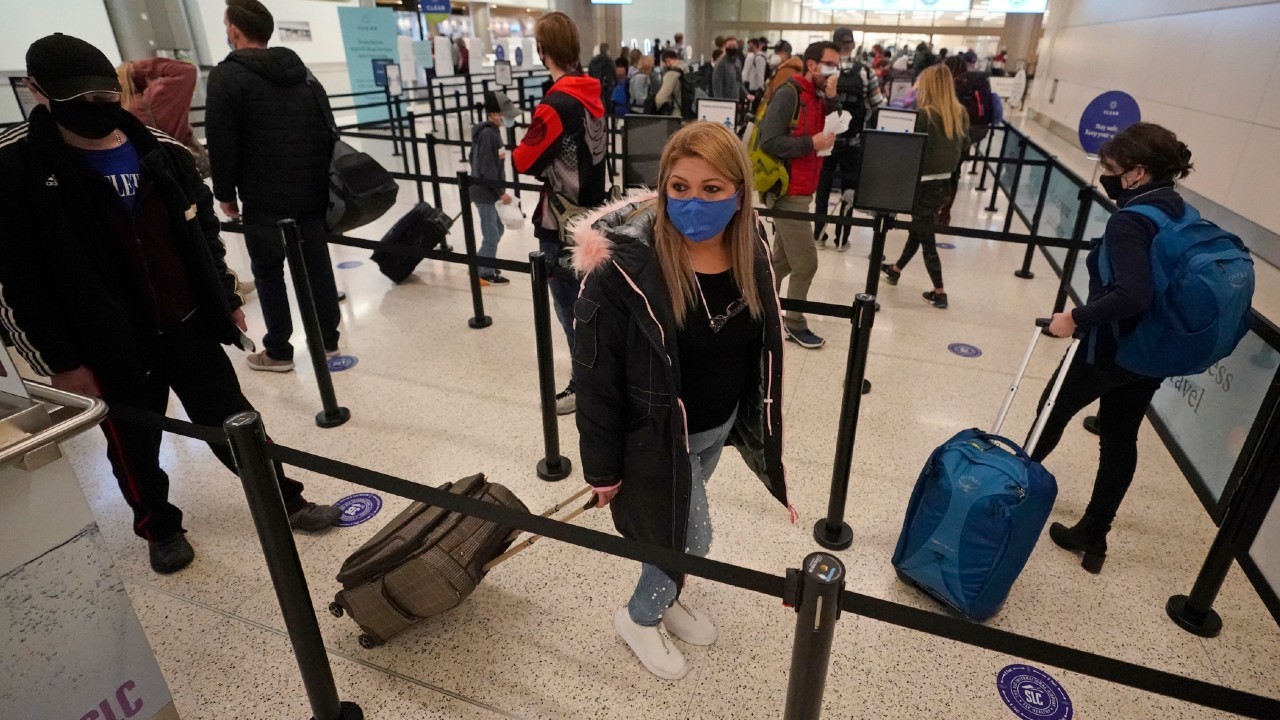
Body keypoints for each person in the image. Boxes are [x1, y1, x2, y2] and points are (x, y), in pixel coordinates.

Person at [0, 33, 342, 575]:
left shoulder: (160, 149)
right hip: (107, 343)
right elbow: (19, 280)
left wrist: (224, 297)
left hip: (187, 322)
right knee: (134, 446)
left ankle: (285, 497)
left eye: (103, 95)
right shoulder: (15, 169)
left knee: (237, 422)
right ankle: (159, 526)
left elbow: (201, 230)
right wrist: (61, 362)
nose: (97, 109)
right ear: (37, 92)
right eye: (79, 100)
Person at [570, 122, 790, 681]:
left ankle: (665, 595)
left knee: (670, 527)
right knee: (690, 537)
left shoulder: (753, 251)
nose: (694, 202)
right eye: (681, 187)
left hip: (716, 428)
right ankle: (641, 616)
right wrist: (601, 468)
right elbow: (596, 379)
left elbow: (756, 348)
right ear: (663, 187)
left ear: (739, 192)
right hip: (655, 437)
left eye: (713, 189)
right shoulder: (623, 270)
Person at [1034, 123, 1198, 574]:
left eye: (1110, 168)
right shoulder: (1178, 209)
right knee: (1121, 437)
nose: (1104, 174)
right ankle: (1094, 535)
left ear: (1137, 173)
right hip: (1152, 350)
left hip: (1112, 346)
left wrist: (1075, 319)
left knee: (1050, 411)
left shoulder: (1130, 221)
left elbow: (1131, 295)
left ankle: (1003, 498)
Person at [206, 0, 342, 372]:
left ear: (234, 30)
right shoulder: (301, 72)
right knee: (317, 264)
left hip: (263, 195)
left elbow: (222, 141)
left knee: (268, 271)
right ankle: (328, 337)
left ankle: (280, 350)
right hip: (311, 189)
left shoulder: (226, 77)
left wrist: (225, 193)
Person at [512, 12, 607, 415]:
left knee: (571, 313)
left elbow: (523, 159)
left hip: (560, 223)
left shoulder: (555, 104)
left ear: (542, 49)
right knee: (593, 308)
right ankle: (603, 379)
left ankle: (584, 387)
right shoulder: (592, 94)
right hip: (593, 217)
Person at [756, 41, 839, 350]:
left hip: (805, 190)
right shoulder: (789, 94)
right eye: (830, 64)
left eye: (838, 65)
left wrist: (832, 98)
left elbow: (838, 123)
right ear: (812, 65)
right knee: (806, 263)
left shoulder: (819, 96)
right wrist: (810, 144)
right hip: (787, 191)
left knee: (781, 262)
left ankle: (761, 313)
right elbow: (770, 141)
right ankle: (793, 322)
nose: (835, 70)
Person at [880, 65, 968, 309]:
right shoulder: (959, 113)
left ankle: (940, 292)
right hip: (944, 184)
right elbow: (965, 148)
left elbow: (910, 152)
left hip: (922, 185)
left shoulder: (924, 115)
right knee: (919, 229)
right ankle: (896, 270)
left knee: (926, 237)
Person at [813, 27, 885, 250]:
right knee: (848, 191)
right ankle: (842, 239)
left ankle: (819, 235)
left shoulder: (825, 72)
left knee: (823, 187)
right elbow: (878, 105)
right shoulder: (865, 72)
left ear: (833, 45)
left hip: (826, 141)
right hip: (853, 142)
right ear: (853, 46)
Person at [116, 58, 204, 175]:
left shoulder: (120, 110)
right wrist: (137, 67)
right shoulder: (157, 96)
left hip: (150, 173)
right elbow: (187, 70)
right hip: (185, 164)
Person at [470, 91, 520, 286]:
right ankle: (485, 272)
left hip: (488, 191)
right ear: (493, 114)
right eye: (505, 114)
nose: (508, 118)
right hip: (485, 193)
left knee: (497, 229)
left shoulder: (491, 132)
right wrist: (500, 192)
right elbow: (486, 167)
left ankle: (480, 262)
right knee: (491, 234)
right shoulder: (488, 134)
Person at [654, 49, 687, 118]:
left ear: (668, 61)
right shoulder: (690, 68)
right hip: (692, 114)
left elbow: (660, 99)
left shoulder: (671, 74)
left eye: (663, 64)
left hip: (677, 115)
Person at [712, 36, 744, 102]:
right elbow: (717, 86)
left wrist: (747, 94)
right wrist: (720, 103)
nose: (732, 48)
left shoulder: (738, 62)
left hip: (736, 100)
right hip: (725, 101)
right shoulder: (720, 63)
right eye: (729, 46)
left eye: (734, 46)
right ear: (724, 47)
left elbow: (739, 81)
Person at [741, 38, 768, 115]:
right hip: (753, 86)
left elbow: (760, 74)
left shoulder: (759, 58)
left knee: (755, 109)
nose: (749, 47)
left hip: (756, 88)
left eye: (750, 45)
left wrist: (761, 87)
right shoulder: (754, 56)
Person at [588, 43, 616, 109]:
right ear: (607, 51)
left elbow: (590, 74)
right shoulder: (609, 61)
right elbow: (612, 76)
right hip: (606, 89)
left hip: (595, 87)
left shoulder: (593, 61)